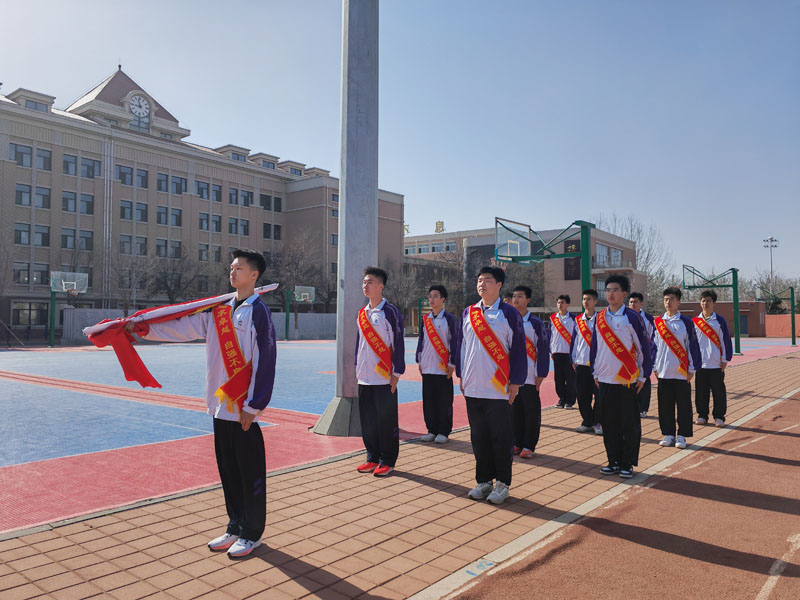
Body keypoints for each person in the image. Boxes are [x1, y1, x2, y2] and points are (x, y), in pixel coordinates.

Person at [126, 249, 276, 558]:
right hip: (220, 405)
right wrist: (144, 330)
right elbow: (183, 328)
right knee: (229, 471)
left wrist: (254, 404)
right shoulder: (219, 311)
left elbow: (266, 359)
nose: (232, 272)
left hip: (243, 407)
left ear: (254, 275)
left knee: (249, 473)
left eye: (239, 268)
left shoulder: (258, 311)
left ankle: (252, 533)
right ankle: (235, 526)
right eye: (231, 268)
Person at [456, 266, 526, 504]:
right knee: (479, 437)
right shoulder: (469, 312)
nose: (481, 284)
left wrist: (516, 381)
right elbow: (462, 347)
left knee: (501, 437)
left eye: (487, 280)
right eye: (479, 280)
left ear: (499, 285)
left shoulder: (509, 314)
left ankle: (503, 483)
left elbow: (518, 350)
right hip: (473, 387)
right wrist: (462, 376)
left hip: (499, 389)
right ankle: (483, 481)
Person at [590, 274, 651, 479]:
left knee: (629, 424)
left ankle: (627, 463)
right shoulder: (600, 317)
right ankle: (613, 461)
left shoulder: (632, 318)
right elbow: (595, 348)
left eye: (615, 290)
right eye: (607, 290)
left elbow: (644, 349)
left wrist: (643, 377)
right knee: (609, 423)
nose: (611, 294)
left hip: (626, 380)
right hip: (605, 380)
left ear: (624, 294)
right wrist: (595, 373)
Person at [355, 266, 406, 477]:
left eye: (370, 282)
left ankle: (387, 459)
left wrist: (396, 373)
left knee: (386, 421)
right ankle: (372, 457)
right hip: (364, 377)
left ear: (381, 286)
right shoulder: (362, 313)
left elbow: (398, 343)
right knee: (368, 421)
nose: (365, 286)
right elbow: (359, 343)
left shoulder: (390, 312)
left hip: (384, 377)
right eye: (364, 282)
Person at [653, 287, 702, 450]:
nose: (669, 302)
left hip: (681, 372)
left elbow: (693, 346)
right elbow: (654, 346)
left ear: (679, 302)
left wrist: (692, 369)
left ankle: (682, 435)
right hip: (663, 372)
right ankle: (668, 434)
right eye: (666, 299)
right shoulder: (658, 322)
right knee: (664, 405)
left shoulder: (686, 322)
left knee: (683, 405)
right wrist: (655, 367)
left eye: (672, 299)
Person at [415, 284, 459, 443]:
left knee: (444, 401)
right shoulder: (426, 319)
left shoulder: (449, 319)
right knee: (429, 401)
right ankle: (431, 429)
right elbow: (422, 341)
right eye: (430, 296)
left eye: (435, 296)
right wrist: (419, 360)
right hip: (427, 367)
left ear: (442, 299)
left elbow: (455, 342)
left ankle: (443, 431)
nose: (431, 299)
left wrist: (453, 363)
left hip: (443, 368)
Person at [510, 285, 549, 458]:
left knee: (530, 411)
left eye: (520, 296)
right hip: (512, 377)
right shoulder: (507, 321)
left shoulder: (535, 323)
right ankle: (517, 442)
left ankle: (529, 445)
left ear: (528, 300)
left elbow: (543, 348)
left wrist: (541, 373)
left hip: (530, 376)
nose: (516, 299)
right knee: (514, 411)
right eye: (514, 296)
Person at [693, 290, 733, 427]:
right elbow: (692, 343)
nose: (705, 303)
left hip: (716, 363)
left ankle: (719, 416)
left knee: (718, 392)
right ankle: (702, 415)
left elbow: (725, 340)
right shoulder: (695, 322)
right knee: (700, 392)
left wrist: (725, 358)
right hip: (700, 364)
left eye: (708, 301)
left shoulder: (719, 321)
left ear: (714, 303)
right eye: (703, 301)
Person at [571, 289, 601, 434]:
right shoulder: (578, 320)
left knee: (600, 395)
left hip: (598, 365)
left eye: (589, 299)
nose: (586, 302)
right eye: (584, 299)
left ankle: (597, 422)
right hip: (581, 363)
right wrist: (574, 359)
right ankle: (587, 421)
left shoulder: (602, 319)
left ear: (595, 301)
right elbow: (575, 342)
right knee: (582, 395)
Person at [628, 292, 656, 418]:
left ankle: (643, 408)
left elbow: (653, 337)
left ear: (641, 304)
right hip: (629, 355)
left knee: (644, 379)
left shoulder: (649, 319)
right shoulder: (625, 317)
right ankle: (632, 406)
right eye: (630, 302)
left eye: (635, 302)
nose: (632, 304)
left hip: (644, 354)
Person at [550, 294, 577, 409]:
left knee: (570, 378)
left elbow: (576, 337)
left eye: (562, 303)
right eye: (558, 303)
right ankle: (562, 399)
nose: (560, 305)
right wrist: (551, 351)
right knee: (558, 379)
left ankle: (570, 401)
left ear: (568, 304)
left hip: (568, 354)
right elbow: (550, 336)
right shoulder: (553, 319)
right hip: (556, 353)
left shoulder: (573, 319)